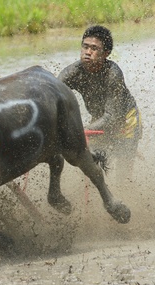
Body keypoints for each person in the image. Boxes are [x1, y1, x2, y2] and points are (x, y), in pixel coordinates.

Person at [58, 25, 142, 181]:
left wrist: (83, 130)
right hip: (99, 119)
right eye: (85, 46)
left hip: (125, 121)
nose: (88, 52)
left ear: (106, 54)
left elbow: (111, 116)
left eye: (94, 48)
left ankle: (126, 194)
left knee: (122, 173)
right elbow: (53, 94)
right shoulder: (72, 72)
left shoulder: (113, 74)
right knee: (92, 165)